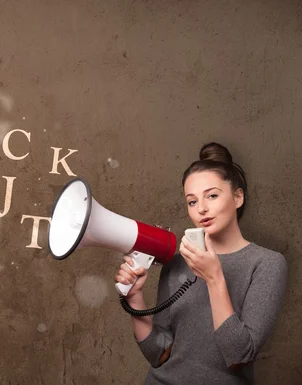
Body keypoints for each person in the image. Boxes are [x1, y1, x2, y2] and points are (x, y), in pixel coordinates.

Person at [115, 142, 288, 384]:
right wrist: (135, 300)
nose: (202, 209)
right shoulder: (177, 263)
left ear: (238, 197)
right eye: (192, 201)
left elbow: (239, 355)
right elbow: (159, 354)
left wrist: (214, 278)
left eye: (213, 196)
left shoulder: (267, 264)